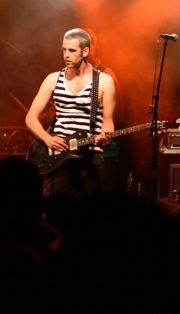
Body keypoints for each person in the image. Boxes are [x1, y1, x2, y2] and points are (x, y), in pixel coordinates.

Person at [24, 28, 116, 194]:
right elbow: (31, 117)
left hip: (91, 155)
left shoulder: (104, 81)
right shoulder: (53, 79)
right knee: (58, 209)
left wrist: (105, 137)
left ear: (85, 51)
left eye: (72, 50)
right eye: (64, 50)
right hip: (59, 155)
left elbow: (108, 122)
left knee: (88, 211)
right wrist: (47, 139)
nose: (66, 55)